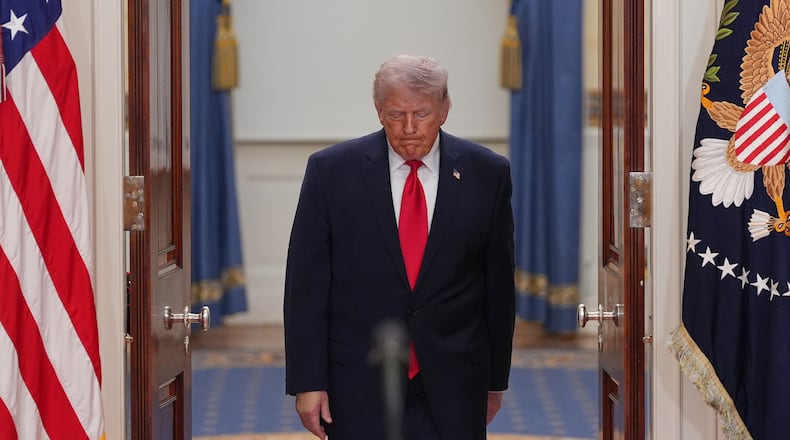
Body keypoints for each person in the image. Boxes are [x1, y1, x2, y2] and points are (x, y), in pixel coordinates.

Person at [284, 54, 516, 440]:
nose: (409, 128)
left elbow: (498, 288)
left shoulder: (487, 173)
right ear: (378, 112)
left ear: (444, 110)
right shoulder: (331, 173)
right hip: (356, 375)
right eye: (395, 115)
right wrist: (308, 381)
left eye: (422, 114)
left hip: (455, 376)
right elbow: (305, 288)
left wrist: (495, 381)